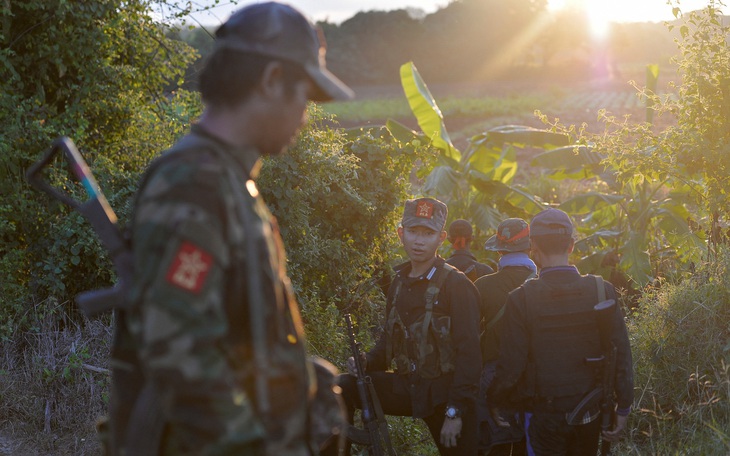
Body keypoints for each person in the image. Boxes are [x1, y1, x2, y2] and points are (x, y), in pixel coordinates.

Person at [111, 2, 354, 454]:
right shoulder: (195, 185)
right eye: (305, 94)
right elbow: (179, 351)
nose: (305, 114)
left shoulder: (226, 180)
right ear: (271, 80)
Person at [324, 197, 483, 455]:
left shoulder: (457, 285)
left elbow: (470, 355)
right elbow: (389, 341)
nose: (419, 241)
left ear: (441, 238)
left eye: (428, 233)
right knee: (341, 387)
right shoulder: (398, 283)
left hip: (446, 395)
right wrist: (367, 361)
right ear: (401, 234)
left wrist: (455, 413)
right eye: (413, 232)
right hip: (407, 387)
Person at [487, 208, 634, 455]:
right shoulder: (601, 289)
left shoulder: (521, 298)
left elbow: (512, 365)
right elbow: (620, 353)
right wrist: (623, 408)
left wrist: (495, 400)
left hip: (543, 415)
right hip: (590, 412)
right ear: (572, 246)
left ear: (532, 246)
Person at [474, 218, 537, 455]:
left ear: (499, 250)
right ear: (530, 247)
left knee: (495, 446)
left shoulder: (482, 285)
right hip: (533, 381)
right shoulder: (542, 285)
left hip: (491, 379)